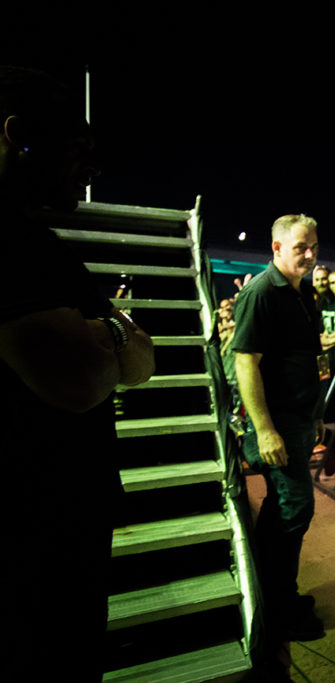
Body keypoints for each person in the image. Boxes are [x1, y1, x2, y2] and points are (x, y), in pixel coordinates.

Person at [0, 66, 154, 681]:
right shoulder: (12, 248)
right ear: (18, 136)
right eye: (78, 151)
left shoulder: (41, 245)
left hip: (58, 521)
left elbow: (142, 363)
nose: (91, 171)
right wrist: (113, 330)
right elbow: (82, 381)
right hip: (34, 532)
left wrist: (107, 333)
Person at [233, 214, 328, 648]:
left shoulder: (303, 292)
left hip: (299, 420)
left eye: (313, 247)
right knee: (294, 508)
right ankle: (279, 604)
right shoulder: (260, 293)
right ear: (276, 248)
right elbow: (245, 363)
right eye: (299, 248)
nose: (309, 255)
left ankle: (272, 596)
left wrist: (315, 414)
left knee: (280, 509)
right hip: (277, 425)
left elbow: (306, 360)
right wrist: (265, 430)